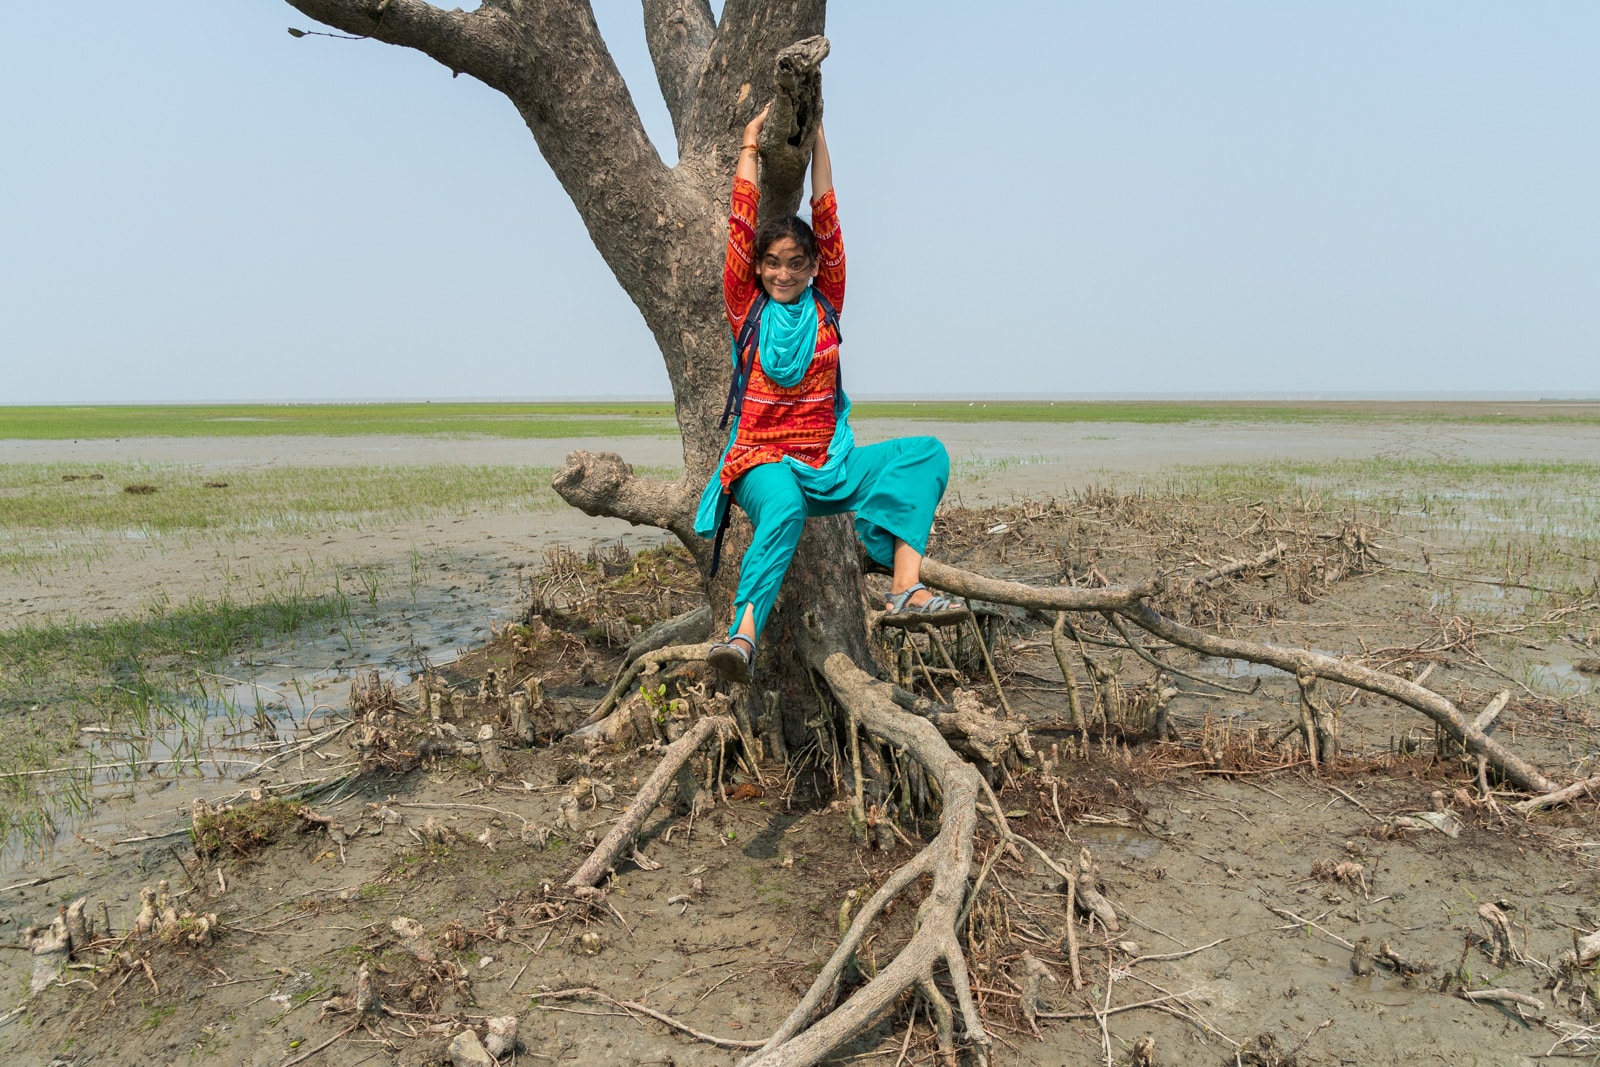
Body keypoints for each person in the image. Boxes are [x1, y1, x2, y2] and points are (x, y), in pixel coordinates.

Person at [695, 103, 955, 685]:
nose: (782, 272)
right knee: (783, 506)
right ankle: (743, 634)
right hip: (763, 463)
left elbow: (827, 213)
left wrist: (818, 141)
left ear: (815, 266)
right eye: (771, 263)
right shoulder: (747, 309)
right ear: (758, 269)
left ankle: (906, 589)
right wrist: (749, 146)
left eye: (795, 263)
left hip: (829, 463)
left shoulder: (829, 302)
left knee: (925, 455)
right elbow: (739, 229)